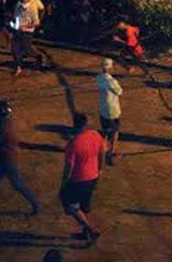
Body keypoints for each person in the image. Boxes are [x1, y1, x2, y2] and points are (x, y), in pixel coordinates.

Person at [0, 100, 40, 215]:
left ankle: (36, 204)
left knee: (17, 184)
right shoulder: (8, 122)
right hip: (5, 158)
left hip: (6, 161)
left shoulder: (3, 128)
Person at [61, 113, 106, 243]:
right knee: (84, 206)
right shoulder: (95, 135)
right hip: (93, 177)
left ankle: (90, 229)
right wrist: (100, 169)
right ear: (86, 123)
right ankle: (87, 235)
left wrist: (64, 182)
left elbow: (69, 166)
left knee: (70, 206)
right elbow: (102, 152)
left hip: (78, 179)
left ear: (74, 125)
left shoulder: (73, 144)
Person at [96, 58, 123, 166]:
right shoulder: (112, 81)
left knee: (105, 132)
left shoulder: (99, 77)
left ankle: (102, 151)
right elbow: (119, 92)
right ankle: (110, 154)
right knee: (115, 132)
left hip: (103, 109)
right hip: (113, 109)